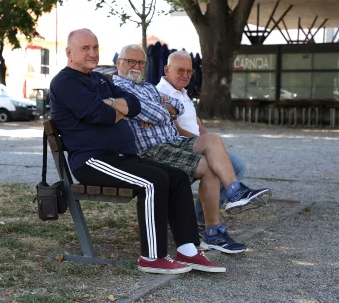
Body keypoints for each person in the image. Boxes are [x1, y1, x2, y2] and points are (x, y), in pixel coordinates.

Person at [49, 28, 225, 274]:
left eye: (96, 47)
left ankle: (188, 249)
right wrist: (115, 108)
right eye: (85, 48)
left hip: (118, 157)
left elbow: (134, 103)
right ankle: (152, 257)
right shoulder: (65, 82)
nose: (92, 53)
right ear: (69, 52)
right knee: (153, 181)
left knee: (175, 176)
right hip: (91, 161)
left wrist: (115, 105)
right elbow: (100, 114)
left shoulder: (100, 79)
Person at [113, 44, 271, 254]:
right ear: (118, 63)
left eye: (141, 62)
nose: (136, 66)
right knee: (210, 167)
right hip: (153, 150)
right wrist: (160, 112)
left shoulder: (147, 87)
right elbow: (160, 113)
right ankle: (213, 232)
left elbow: (175, 106)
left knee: (212, 140)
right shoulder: (118, 88)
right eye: (130, 61)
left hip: (172, 143)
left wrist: (157, 112)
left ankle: (235, 192)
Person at [156, 50, 246, 235]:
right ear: (167, 69)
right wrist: (204, 145)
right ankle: (207, 219)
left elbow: (197, 123)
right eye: (180, 70)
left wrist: (213, 144)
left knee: (236, 164)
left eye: (189, 71)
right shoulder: (161, 93)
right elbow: (176, 130)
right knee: (225, 166)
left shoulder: (183, 92)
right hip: (180, 147)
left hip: (197, 143)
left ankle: (202, 218)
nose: (186, 75)